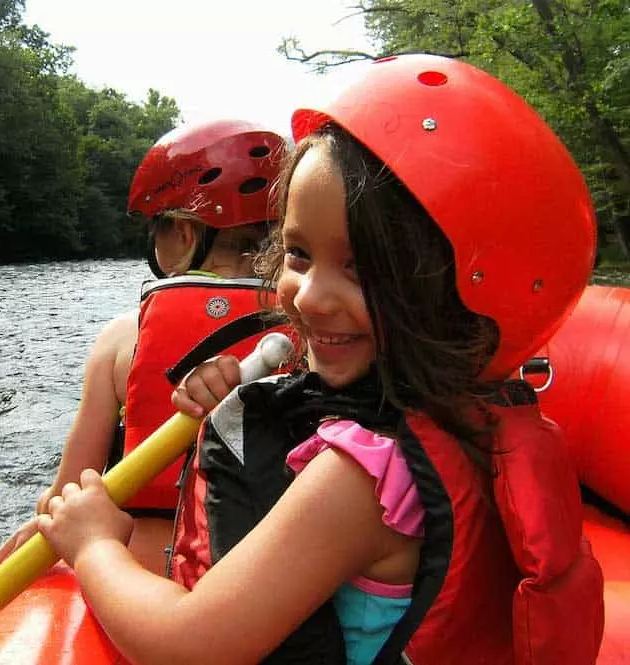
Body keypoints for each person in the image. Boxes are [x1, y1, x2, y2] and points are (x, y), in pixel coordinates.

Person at [35, 54, 605, 665]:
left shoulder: (360, 482)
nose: (307, 295)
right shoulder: (475, 415)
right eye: (300, 254)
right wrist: (233, 406)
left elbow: (187, 645)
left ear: (464, 293)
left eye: (361, 269)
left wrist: (95, 545)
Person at [0, 119, 288, 574]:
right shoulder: (314, 329)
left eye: (158, 230)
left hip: (141, 577)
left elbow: (68, 494)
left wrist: (44, 515)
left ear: (185, 233)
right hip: (268, 573)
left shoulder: (120, 338)